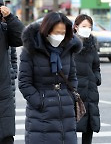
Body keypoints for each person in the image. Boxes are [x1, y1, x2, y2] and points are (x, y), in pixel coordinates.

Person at [18, 12, 82, 144]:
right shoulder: (31, 50)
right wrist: (40, 102)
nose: (60, 36)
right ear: (47, 30)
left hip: (66, 112)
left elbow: (73, 77)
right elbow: (24, 83)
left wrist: (69, 96)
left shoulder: (67, 49)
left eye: (63, 32)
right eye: (56, 32)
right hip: (40, 116)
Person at [73, 14, 101, 144]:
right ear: (76, 27)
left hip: (90, 90)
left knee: (88, 126)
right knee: (70, 126)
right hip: (74, 91)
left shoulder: (92, 44)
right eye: (84, 26)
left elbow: (96, 66)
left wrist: (96, 79)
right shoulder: (69, 44)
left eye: (89, 27)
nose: (87, 29)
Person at [0, 0, 24, 144]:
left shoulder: (4, 29)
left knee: (6, 136)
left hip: (3, 94)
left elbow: (21, 38)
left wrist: (9, 17)